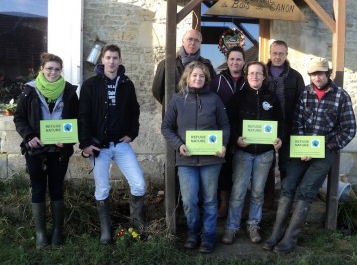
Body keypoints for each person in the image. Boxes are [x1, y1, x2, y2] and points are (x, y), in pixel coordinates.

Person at [262, 58, 356, 253]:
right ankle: (276, 233)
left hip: (325, 151)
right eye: (314, 74)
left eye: (321, 73)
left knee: (306, 190)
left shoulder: (341, 96)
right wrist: (302, 147)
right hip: (302, 149)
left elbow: (349, 129)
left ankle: (290, 238)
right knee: (288, 185)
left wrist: (326, 146)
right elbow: (296, 122)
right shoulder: (305, 92)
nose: (317, 77)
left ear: (328, 74)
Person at [78, 44, 146, 245]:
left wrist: (131, 134)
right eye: (108, 57)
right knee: (102, 188)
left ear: (120, 60)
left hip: (121, 145)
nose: (111, 61)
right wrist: (85, 143)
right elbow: (83, 116)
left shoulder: (127, 84)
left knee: (139, 184)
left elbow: (135, 111)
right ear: (102, 60)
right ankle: (106, 232)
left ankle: (137, 226)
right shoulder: (90, 85)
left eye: (115, 57)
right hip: (98, 148)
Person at [161, 61, 230, 253]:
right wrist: (179, 145)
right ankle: (193, 232)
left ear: (206, 78)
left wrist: (223, 144)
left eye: (201, 76)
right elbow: (166, 127)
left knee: (209, 199)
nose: (198, 79)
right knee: (189, 200)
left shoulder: (214, 100)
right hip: (187, 160)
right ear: (187, 78)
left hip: (211, 160)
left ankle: (208, 236)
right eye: (194, 76)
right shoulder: (177, 100)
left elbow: (225, 125)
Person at [13, 53, 79, 248]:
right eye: (49, 68)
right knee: (38, 189)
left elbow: (77, 119)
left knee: (57, 188)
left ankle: (58, 231)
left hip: (59, 152)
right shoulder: (29, 91)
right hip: (36, 151)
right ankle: (41, 233)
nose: (53, 72)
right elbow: (19, 118)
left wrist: (67, 141)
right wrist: (29, 137)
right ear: (42, 69)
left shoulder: (69, 92)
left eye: (57, 69)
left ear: (61, 71)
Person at [222, 61, 284, 245]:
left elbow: (280, 122)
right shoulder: (238, 97)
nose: (255, 76)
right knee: (238, 192)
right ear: (246, 76)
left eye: (258, 73)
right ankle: (231, 227)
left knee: (257, 192)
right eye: (251, 73)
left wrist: (279, 138)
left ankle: (253, 224)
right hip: (243, 153)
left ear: (264, 76)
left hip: (265, 154)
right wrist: (235, 139)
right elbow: (229, 123)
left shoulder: (272, 98)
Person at [264, 40, 305, 208]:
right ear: (270, 53)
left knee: (286, 165)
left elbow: (302, 103)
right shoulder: (261, 73)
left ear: (286, 54)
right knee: (266, 164)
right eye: (275, 53)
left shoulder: (295, 77)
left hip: (288, 127)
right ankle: (268, 199)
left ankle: (285, 198)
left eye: (281, 53)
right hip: (265, 128)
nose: (278, 56)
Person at [210, 46, 246, 218]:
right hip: (223, 129)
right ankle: (224, 201)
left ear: (243, 62)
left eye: (238, 59)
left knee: (241, 167)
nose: (235, 62)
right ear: (227, 61)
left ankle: (238, 201)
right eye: (232, 59)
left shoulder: (249, 80)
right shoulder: (217, 80)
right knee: (224, 167)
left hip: (244, 131)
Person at [152, 29, 216, 113]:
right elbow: (157, 90)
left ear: (200, 44)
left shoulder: (206, 65)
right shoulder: (167, 64)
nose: (193, 43)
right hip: (174, 113)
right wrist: (169, 103)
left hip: (199, 114)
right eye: (190, 39)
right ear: (183, 41)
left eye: (197, 40)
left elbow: (211, 88)